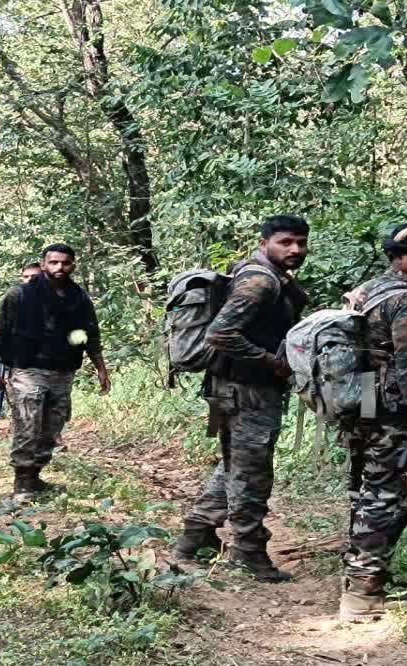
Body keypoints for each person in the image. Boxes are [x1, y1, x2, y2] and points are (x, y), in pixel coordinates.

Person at [174, 215, 310, 582]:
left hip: (237, 388)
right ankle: (248, 552)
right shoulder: (260, 281)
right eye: (285, 242)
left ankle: (195, 535)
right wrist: (274, 363)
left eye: (301, 242)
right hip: (246, 391)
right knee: (251, 473)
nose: (295, 249)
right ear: (264, 243)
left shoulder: (265, 275)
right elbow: (221, 334)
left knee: (235, 464)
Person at [339, 221, 407, 621]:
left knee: (367, 489)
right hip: (394, 411)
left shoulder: (367, 290)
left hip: (364, 401)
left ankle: (360, 573)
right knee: (392, 493)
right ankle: (363, 594)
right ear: (399, 257)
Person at [0, 243, 110, 501]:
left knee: (53, 426)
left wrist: (101, 368)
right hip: (27, 369)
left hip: (63, 370)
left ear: (73, 265)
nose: (60, 267)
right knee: (27, 423)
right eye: (54, 262)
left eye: (65, 263)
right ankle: (22, 482)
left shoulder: (79, 297)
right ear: (43, 265)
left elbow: (90, 333)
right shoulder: (19, 295)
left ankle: (35, 475)